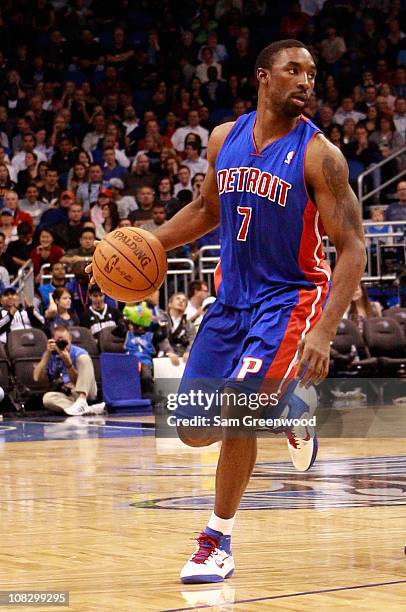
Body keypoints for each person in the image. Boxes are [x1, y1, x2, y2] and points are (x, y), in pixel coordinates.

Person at [110, 39, 367, 584]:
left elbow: (353, 248)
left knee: (236, 412)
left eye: (313, 74)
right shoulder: (224, 140)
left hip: (288, 298)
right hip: (229, 304)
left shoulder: (321, 157)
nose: (306, 81)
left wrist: (322, 330)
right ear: (262, 77)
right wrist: (139, 246)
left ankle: (216, 541)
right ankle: (291, 409)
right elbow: (206, 209)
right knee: (194, 429)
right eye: (293, 71)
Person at [33, 325, 105, 416]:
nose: (63, 345)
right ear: (53, 341)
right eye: (59, 341)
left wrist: (69, 364)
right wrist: (47, 354)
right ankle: (87, 409)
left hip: (85, 390)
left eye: (65, 341)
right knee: (47, 399)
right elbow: (36, 377)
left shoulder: (78, 353)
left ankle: (82, 401)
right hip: (68, 395)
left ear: (70, 339)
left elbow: (76, 382)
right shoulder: (51, 354)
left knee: (84, 359)